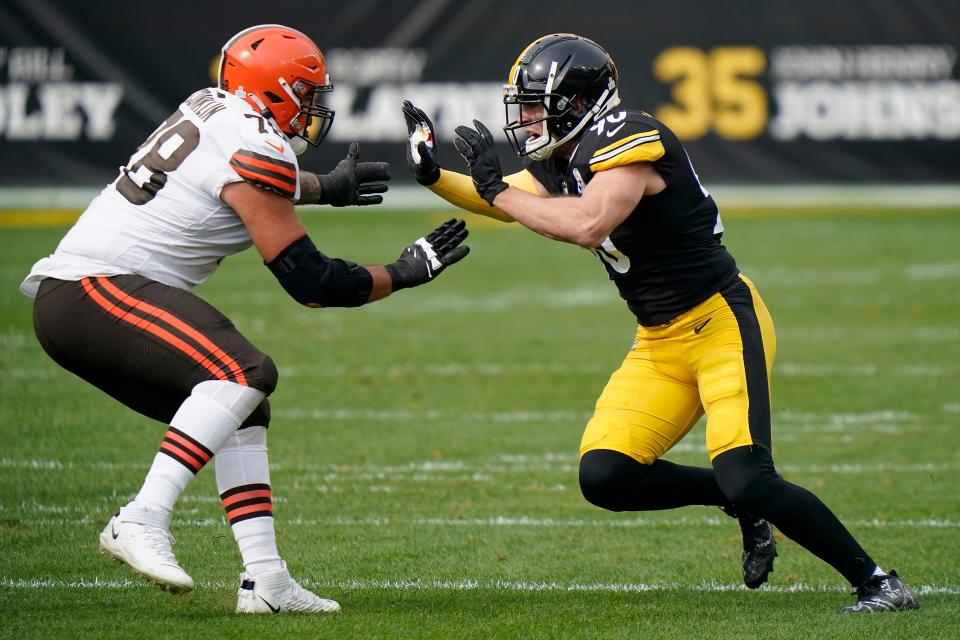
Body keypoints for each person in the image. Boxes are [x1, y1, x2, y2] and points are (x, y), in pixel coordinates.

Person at [401, 33, 918, 613]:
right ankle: (735, 502)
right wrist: (434, 176)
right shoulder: (567, 154)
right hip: (660, 340)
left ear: (576, 102)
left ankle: (879, 583)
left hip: (721, 323)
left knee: (750, 475)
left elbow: (588, 223)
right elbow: (505, 199)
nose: (524, 121)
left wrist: (495, 189)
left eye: (533, 105)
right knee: (605, 477)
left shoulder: (629, 136)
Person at [21, 24, 469, 615]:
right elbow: (311, 282)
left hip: (79, 300)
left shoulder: (216, 111)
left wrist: (324, 188)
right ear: (276, 91)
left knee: (243, 407)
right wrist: (402, 271)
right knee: (243, 371)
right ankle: (142, 516)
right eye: (307, 96)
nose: (314, 111)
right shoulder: (257, 142)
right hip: (93, 290)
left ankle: (266, 582)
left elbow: (227, 181)